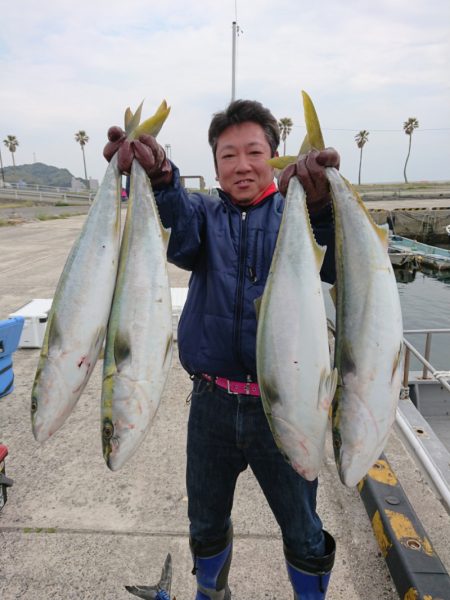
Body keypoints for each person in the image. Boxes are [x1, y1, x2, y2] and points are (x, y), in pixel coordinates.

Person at [105, 99, 340, 600]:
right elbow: (179, 221)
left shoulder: (291, 215)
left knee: (303, 527)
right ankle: (211, 593)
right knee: (205, 522)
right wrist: (162, 174)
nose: (241, 165)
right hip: (211, 404)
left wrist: (320, 207)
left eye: (253, 152)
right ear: (215, 166)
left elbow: (336, 264)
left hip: (284, 403)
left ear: (273, 157)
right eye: (227, 155)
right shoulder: (205, 215)